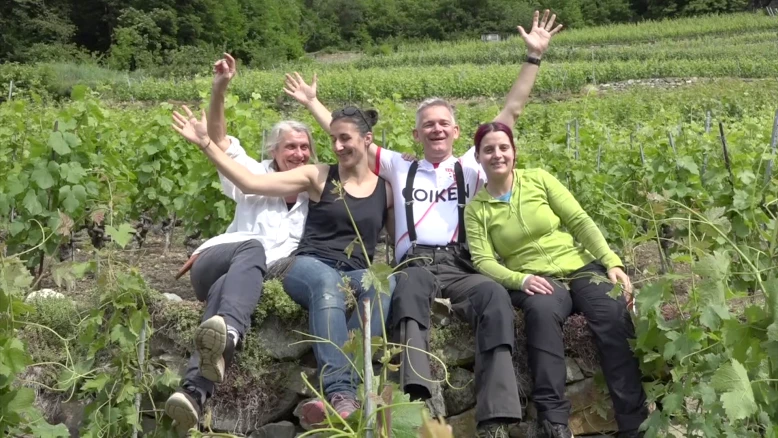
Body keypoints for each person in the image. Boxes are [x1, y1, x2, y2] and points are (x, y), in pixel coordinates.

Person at [285, 10, 563, 437]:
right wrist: (312, 103)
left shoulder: (471, 166)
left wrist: (533, 58)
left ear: (455, 132)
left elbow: (511, 110)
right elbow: (349, 142)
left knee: (493, 297)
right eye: (427, 124)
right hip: (414, 263)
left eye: (443, 124)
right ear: (416, 134)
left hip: (460, 264)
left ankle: (495, 415)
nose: (436, 129)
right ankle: (416, 392)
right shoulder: (399, 167)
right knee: (409, 288)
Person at [171, 95, 396, 427]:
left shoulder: (386, 190)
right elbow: (250, 182)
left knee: (385, 282)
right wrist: (207, 145)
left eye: (344, 138)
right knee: (323, 280)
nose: (336, 146)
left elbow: (403, 235)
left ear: (367, 139)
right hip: (304, 266)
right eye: (332, 139)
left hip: (351, 270)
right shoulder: (317, 177)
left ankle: (341, 387)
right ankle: (340, 393)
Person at [464, 121, 648, 438]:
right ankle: (554, 422)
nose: (497, 154)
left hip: (580, 267)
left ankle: (634, 424)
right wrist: (520, 280)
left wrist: (611, 261)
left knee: (611, 314)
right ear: (478, 158)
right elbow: (482, 260)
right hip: (535, 278)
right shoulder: (477, 209)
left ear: (514, 152)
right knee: (541, 314)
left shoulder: (539, 180)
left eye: (503, 147)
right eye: (489, 149)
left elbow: (578, 220)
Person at [164, 54, 314, 432]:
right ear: (273, 152)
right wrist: (220, 87)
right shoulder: (251, 172)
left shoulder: (315, 190)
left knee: (225, 291)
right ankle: (230, 333)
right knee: (252, 249)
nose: (298, 153)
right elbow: (217, 138)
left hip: (247, 281)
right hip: (217, 258)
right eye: (289, 147)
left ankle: (195, 390)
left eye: (304, 147)